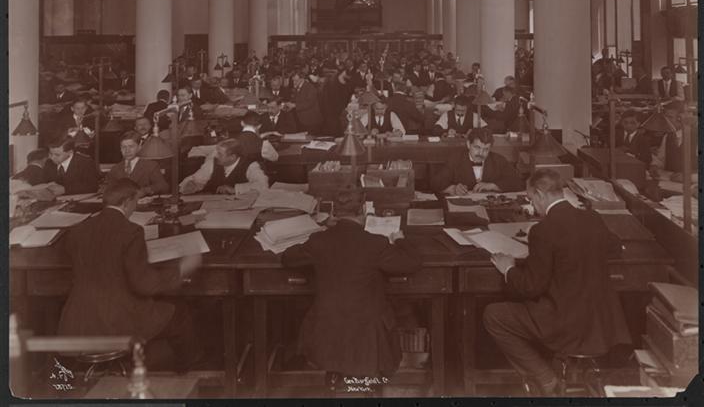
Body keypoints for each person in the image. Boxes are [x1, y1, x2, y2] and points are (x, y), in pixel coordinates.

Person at [483, 169, 630, 395]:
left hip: (565, 323)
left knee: (494, 315)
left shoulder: (542, 231)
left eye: (531, 199)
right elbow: (614, 246)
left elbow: (530, 287)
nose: (532, 206)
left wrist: (508, 268)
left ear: (540, 194)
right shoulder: (592, 218)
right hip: (600, 322)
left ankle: (545, 377)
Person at [58, 179, 202, 371]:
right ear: (127, 202)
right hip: (115, 321)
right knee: (178, 313)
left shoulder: (77, 230)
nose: (136, 206)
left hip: (79, 321)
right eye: (136, 201)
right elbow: (144, 285)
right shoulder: (131, 231)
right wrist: (182, 269)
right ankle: (190, 370)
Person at [281, 188, 421, 380]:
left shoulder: (319, 241)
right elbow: (412, 262)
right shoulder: (376, 243)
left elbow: (288, 258)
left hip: (326, 332)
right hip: (370, 335)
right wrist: (400, 240)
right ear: (363, 211)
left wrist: (321, 231)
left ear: (333, 212)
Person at [431, 127, 524, 194]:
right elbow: (435, 184)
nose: (481, 153)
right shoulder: (455, 159)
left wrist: (493, 186)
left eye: (486, 149)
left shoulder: (498, 160)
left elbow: (519, 183)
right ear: (468, 144)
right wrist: (453, 189)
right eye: (477, 147)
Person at [179, 138, 269, 195]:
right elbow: (197, 179)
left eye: (220, 154)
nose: (216, 156)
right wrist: (189, 185)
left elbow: (263, 185)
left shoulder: (250, 165)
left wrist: (235, 189)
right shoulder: (213, 162)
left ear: (232, 157)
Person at [105, 131, 169, 195]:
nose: (127, 151)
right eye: (124, 147)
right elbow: (109, 190)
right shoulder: (115, 169)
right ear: (120, 149)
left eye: (131, 146)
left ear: (139, 147)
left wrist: (144, 191)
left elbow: (163, 186)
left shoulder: (150, 166)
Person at [288, 70, 323, 134]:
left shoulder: (310, 87)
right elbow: (296, 100)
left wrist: (294, 105)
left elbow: (309, 103)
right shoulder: (296, 87)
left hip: (311, 121)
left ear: (302, 79)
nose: (294, 82)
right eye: (293, 80)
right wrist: (289, 105)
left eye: (296, 80)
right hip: (302, 120)